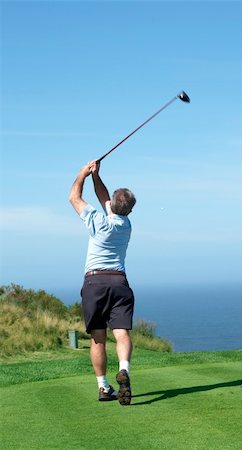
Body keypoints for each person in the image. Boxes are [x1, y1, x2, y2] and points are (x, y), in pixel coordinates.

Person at [69, 160, 136, 406]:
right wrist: (97, 175)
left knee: (98, 337)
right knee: (122, 333)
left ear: (112, 206)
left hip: (95, 283)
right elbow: (105, 199)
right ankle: (124, 370)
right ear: (128, 209)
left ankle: (103, 387)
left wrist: (82, 175)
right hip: (119, 283)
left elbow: (73, 198)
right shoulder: (126, 225)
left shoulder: (98, 220)